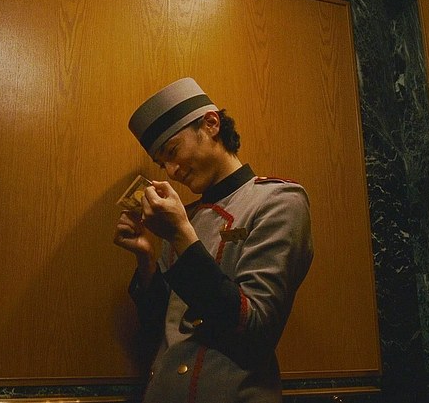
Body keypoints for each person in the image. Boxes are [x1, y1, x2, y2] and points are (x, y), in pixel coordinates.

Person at [113, 77, 314, 403]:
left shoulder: (279, 201)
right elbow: (163, 328)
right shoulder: (185, 216)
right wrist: (146, 257)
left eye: (173, 151)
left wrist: (180, 235)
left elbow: (256, 329)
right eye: (162, 163)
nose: (171, 171)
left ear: (211, 124)